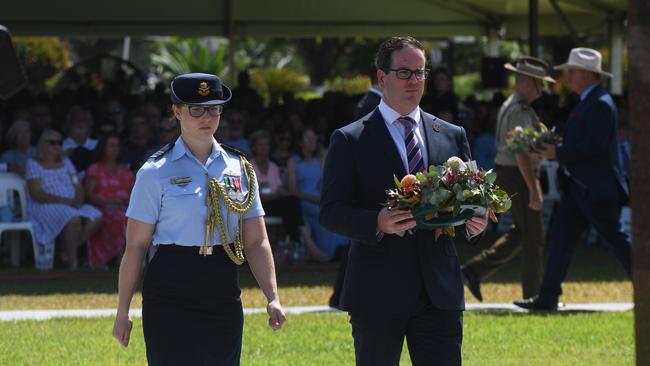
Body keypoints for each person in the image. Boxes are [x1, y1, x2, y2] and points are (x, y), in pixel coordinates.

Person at [319, 36, 488, 366]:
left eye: (421, 72)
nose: (414, 81)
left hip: (439, 291)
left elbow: (471, 202)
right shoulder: (350, 139)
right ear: (382, 77)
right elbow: (331, 212)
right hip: (377, 291)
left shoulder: (452, 135)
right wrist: (376, 222)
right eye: (404, 72)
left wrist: (475, 224)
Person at [112, 73, 285, 365]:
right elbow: (137, 247)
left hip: (221, 281)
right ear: (176, 111)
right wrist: (122, 311)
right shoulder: (155, 171)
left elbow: (256, 241)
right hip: (170, 284)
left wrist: (273, 297)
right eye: (196, 109)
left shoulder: (239, 167)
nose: (206, 117)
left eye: (214, 108)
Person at [515, 48, 631, 310]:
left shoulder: (600, 103)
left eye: (574, 71)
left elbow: (596, 146)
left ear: (589, 74)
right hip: (579, 189)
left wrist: (558, 152)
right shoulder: (588, 102)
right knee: (561, 240)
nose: (569, 76)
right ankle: (547, 297)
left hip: (596, 189)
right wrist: (551, 146)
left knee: (618, 243)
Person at [461, 57, 555, 302]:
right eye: (540, 84)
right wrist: (534, 189)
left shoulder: (510, 105)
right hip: (517, 175)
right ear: (529, 82)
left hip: (508, 173)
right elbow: (521, 152)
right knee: (533, 237)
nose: (543, 89)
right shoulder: (521, 110)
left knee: (521, 232)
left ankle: (474, 270)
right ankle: (534, 296)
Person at [25, 129, 102, 269]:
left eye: (59, 142)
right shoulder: (33, 163)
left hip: (71, 204)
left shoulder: (66, 162)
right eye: (52, 142)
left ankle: (65, 251)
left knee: (96, 216)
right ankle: (73, 263)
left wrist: (79, 198)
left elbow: (77, 185)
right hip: (44, 205)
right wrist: (65, 201)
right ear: (42, 144)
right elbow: (35, 193)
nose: (56, 145)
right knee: (73, 219)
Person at [249, 130, 328, 261]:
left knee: (291, 201)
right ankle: (300, 243)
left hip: (276, 203)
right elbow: (256, 196)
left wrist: (288, 194)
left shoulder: (273, 166)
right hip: (258, 206)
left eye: (267, 144)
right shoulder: (249, 166)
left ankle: (299, 242)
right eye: (260, 145)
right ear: (254, 147)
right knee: (289, 203)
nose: (264, 148)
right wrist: (278, 195)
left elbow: (280, 190)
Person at [288, 127, 347, 260]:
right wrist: (314, 198)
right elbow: (293, 191)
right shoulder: (294, 162)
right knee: (322, 214)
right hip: (305, 203)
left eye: (313, 138)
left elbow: (327, 184)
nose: (311, 141)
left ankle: (342, 247)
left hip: (321, 201)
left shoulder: (320, 160)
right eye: (308, 138)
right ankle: (329, 251)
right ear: (300, 142)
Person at [84, 134, 135, 268]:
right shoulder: (95, 169)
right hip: (101, 208)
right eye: (111, 146)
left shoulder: (125, 170)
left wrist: (123, 203)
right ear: (103, 148)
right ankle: (115, 259)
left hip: (123, 207)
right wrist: (108, 203)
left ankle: (127, 260)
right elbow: (89, 195)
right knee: (118, 218)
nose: (114, 149)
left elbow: (134, 194)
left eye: (117, 146)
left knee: (130, 218)